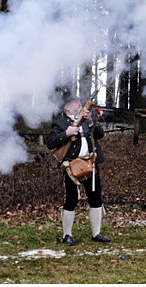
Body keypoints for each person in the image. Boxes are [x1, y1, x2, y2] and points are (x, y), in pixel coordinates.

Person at [46, 91, 110, 245]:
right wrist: (67, 133)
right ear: (67, 108)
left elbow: (100, 135)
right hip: (72, 167)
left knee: (95, 198)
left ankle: (97, 233)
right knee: (71, 200)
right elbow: (51, 142)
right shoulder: (60, 124)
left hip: (90, 163)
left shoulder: (87, 120)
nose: (79, 104)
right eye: (75, 103)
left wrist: (90, 123)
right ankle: (67, 235)